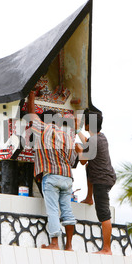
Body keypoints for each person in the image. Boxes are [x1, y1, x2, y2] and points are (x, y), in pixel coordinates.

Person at [26, 90, 78, 250]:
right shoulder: (67, 136)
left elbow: (31, 114)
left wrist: (32, 96)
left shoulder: (42, 128)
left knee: (53, 210)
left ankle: (54, 244)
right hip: (67, 177)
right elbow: (72, 159)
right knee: (67, 212)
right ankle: (68, 246)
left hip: (51, 176)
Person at [75, 110, 116, 254]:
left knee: (104, 213)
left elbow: (82, 160)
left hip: (101, 180)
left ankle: (107, 248)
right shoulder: (101, 137)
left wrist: (79, 150)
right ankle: (88, 198)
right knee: (89, 168)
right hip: (107, 176)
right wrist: (77, 131)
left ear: (88, 124)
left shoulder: (93, 140)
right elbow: (88, 142)